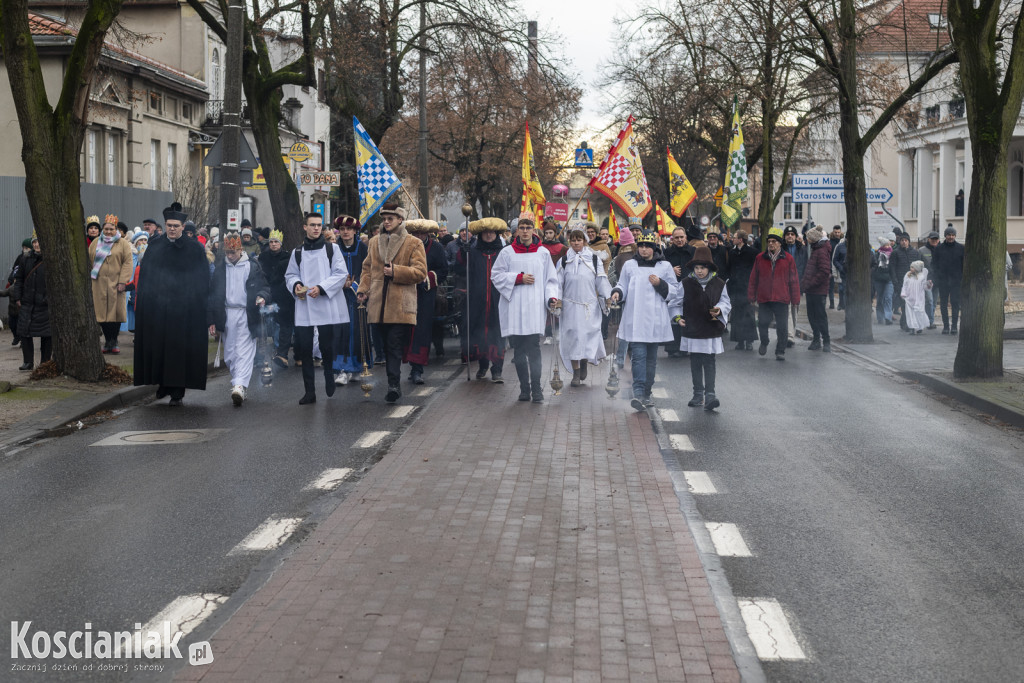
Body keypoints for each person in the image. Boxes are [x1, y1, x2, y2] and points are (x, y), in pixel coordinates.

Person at [133, 202, 211, 406]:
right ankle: (163, 384)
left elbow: (202, 280)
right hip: (159, 307)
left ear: (183, 227)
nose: (172, 228)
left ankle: (177, 389)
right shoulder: (155, 246)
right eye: (169, 225)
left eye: (176, 225)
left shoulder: (194, 249)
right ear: (165, 225)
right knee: (159, 347)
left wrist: (198, 302)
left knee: (178, 350)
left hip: (184, 310)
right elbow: (147, 277)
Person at [357, 202, 428, 403]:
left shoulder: (413, 243)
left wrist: (396, 271)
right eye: (384, 219)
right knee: (383, 347)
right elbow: (367, 269)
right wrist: (363, 289)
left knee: (394, 345)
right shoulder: (373, 242)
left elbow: (420, 272)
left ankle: (393, 385)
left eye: (391, 219)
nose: (386, 222)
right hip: (377, 304)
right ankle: (393, 382)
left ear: (400, 220)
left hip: (399, 305)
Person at [490, 212, 560, 403]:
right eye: (522, 227)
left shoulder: (543, 253)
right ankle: (524, 389)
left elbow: (550, 279)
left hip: (534, 308)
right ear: (516, 231)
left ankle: (537, 389)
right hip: (514, 308)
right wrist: (518, 278)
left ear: (533, 230)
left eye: (528, 227)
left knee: (534, 349)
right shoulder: (507, 253)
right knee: (519, 351)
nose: (525, 231)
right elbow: (496, 275)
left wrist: (552, 297)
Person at [609, 230, 678, 411]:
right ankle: (638, 393)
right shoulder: (630, 265)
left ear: (654, 248)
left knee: (651, 359)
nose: (644, 250)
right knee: (638, 356)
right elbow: (622, 284)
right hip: (636, 317)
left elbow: (675, 290)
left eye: (648, 246)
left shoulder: (664, 266)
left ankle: (647, 392)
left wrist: (660, 284)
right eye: (641, 246)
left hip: (655, 320)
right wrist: (617, 292)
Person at [286, 212, 349, 404]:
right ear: (305, 227)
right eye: (312, 225)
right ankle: (309, 391)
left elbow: (341, 274)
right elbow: (290, 274)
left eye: (319, 225)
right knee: (305, 348)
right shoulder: (297, 252)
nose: (316, 228)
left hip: (325, 303)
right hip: (305, 305)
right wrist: (296, 285)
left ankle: (329, 376)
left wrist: (321, 288)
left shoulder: (332, 249)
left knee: (326, 346)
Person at [208, 233, 270, 405]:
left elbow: (264, 287)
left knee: (244, 351)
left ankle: (239, 385)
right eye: (227, 252)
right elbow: (213, 295)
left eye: (233, 252)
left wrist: (261, 296)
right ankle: (238, 382)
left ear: (240, 250)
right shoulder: (221, 269)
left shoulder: (252, 266)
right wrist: (212, 319)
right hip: (227, 313)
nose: (230, 256)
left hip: (246, 313)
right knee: (229, 354)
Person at [669, 245, 731, 410]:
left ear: (709, 267)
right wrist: (677, 317)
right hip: (693, 328)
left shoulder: (719, 283)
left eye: (702, 268)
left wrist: (720, 309)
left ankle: (710, 394)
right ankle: (698, 394)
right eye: (696, 268)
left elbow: (726, 302)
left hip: (710, 328)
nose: (699, 271)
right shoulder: (686, 283)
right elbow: (675, 302)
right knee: (695, 360)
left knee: (709, 360)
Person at [557, 228, 611, 387]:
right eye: (573, 240)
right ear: (569, 242)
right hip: (570, 306)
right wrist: (557, 300)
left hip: (589, 307)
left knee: (587, 337)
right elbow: (557, 283)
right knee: (573, 338)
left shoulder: (594, 260)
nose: (576, 243)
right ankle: (576, 372)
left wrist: (606, 297)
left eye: (579, 240)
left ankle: (584, 361)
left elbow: (601, 280)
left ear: (584, 241)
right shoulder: (564, 260)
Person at [459, 217, 507, 382]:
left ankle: (497, 369)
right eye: (485, 232)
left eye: (491, 232)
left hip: (498, 300)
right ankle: (483, 365)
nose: (488, 235)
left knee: (497, 335)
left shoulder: (503, 253)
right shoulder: (473, 252)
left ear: (496, 234)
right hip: (477, 300)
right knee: (480, 335)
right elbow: (460, 269)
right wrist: (462, 252)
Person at [402, 219, 448, 384]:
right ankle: (411, 364)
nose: (419, 236)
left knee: (422, 331)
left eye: (422, 233)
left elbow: (443, 269)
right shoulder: (405, 246)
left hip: (426, 294)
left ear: (427, 233)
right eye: (416, 233)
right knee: (406, 330)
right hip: (406, 293)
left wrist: (427, 278)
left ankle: (418, 369)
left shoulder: (436, 248)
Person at [748, 227, 801, 361]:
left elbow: (794, 280)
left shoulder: (788, 259)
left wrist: (795, 299)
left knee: (782, 326)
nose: (771, 244)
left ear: (779, 243)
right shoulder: (760, 258)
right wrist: (751, 296)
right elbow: (753, 278)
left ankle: (780, 350)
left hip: (782, 298)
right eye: (769, 241)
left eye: (774, 241)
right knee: (763, 323)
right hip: (764, 297)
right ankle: (764, 341)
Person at [332, 215, 369, 386]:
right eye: (342, 229)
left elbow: (368, 270)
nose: (345, 232)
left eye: (349, 229)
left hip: (357, 297)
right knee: (339, 333)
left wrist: (356, 285)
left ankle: (356, 367)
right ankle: (341, 369)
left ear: (355, 231)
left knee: (357, 332)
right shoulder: (332, 248)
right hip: (338, 297)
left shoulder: (362, 248)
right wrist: (340, 283)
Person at [89, 214, 133, 354]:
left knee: (115, 314)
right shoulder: (96, 243)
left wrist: (122, 281)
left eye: (111, 229)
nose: (108, 231)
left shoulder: (123, 244)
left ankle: (114, 341)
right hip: (99, 283)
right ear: (103, 228)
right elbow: (90, 260)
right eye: (106, 229)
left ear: (116, 229)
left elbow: (127, 263)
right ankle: (107, 341)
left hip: (116, 284)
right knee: (102, 314)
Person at [11, 236, 50, 370]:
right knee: (24, 332)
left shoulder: (51, 259)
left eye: (39, 241)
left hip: (45, 303)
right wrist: (18, 298)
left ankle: (45, 362)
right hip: (27, 302)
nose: (37, 244)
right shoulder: (24, 259)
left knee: (47, 334)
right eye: (35, 242)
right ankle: (28, 362)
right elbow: (19, 279)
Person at [800, 227, 833, 352]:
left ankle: (826, 341)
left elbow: (824, 272)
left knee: (819, 316)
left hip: (818, 291)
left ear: (813, 239)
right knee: (812, 315)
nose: (806, 240)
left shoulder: (821, 251)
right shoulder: (817, 249)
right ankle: (816, 340)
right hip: (812, 290)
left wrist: (810, 284)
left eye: (808, 238)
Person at [727, 230, 758, 350]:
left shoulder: (752, 252)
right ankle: (739, 340)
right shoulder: (732, 252)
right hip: (735, 288)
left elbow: (755, 271)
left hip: (747, 288)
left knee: (748, 315)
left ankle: (749, 341)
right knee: (736, 316)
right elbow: (730, 268)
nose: (732, 239)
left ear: (740, 240)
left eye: (734, 237)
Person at [933, 225, 965, 334]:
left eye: (952, 235)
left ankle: (954, 326)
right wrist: (936, 278)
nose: (951, 237)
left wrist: (962, 279)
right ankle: (946, 326)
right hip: (943, 281)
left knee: (955, 304)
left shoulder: (961, 248)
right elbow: (934, 265)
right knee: (943, 304)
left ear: (955, 236)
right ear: (945, 236)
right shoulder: (939, 248)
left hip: (956, 281)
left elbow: (964, 265)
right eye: (948, 235)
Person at [1, 238, 33, 348]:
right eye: (23, 248)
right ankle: (17, 337)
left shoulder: (33, 259)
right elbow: (14, 271)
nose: (24, 250)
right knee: (12, 324)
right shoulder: (20, 258)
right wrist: (10, 281)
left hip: (25, 293)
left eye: (27, 248)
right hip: (13, 304)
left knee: (23, 323)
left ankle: (23, 339)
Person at [889, 232, 921, 331]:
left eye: (906, 240)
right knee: (904, 303)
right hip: (901, 282)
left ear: (909, 242)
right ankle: (905, 323)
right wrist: (895, 282)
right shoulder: (895, 253)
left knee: (911, 304)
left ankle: (905, 322)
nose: (904, 242)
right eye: (902, 240)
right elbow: (892, 268)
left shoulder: (915, 253)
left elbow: (919, 267)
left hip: (913, 282)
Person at [900, 260, 930, 335]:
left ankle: (919, 327)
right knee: (910, 313)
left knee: (919, 312)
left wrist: (929, 285)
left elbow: (924, 287)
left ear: (917, 268)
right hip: (909, 298)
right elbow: (905, 285)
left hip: (919, 298)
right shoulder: (907, 275)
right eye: (911, 267)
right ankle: (912, 327)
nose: (911, 268)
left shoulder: (922, 276)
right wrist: (903, 293)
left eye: (913, 267)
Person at [872, 234, 895, 325]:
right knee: (880, 298)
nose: (888, 246)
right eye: (886, 245)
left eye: (889, 245)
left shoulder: (893, 254)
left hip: (889, 279)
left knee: (888, 297)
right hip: (879, 279)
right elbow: (874, 265)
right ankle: (880, 318)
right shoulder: (877, 254)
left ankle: (888, 317)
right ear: (882, 245)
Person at [921, 230, 940, 328]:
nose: (934, 240)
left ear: (938, 240)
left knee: (934, 301)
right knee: (929, 300)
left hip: (938, 280)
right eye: (932, 239)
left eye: (936, 239)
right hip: (927, 280)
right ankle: (929, 321)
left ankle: (929, 319)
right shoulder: (922, 250)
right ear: (928, 239)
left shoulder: (941, 249)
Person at [828, 226, 846, 309]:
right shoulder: (830, 242)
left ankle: (840, 303)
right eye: (835, 232)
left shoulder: (842, 241)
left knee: (841, 287)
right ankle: (832, 302)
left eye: (838, 232)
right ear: (833, 232)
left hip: (840, 266)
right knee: (831, 286)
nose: (837, 234)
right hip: (832, 266)